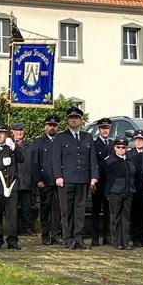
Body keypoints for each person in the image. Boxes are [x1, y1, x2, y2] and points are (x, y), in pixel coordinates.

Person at [51, 107, 99, 249]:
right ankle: (68, 239)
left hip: (83, 179)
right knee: (67, 211)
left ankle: (78, 238)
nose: (74, 120)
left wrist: (94, 177)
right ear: (68, 120)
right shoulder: (60, 137)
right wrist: (58, 176)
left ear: (80, 120)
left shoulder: (87, 137)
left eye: (76, 118)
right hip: (66, 180)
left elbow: (92, 158)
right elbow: (56, 159)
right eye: (71, 117)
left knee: (80, 210)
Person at [102, 137, 135, 249]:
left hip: (128, 192)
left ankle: (125, 242)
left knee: (126, 218)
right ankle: (116, 242)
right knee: (115, 218)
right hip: (114, 193)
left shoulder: (129, 159)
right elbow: (103, 177)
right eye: (118, 147)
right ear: (114, 148)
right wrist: (107, 192)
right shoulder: (109, 160)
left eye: (123, 147)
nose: (121, 149)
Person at [32, 116, 61, 245]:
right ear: (45, 127)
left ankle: (56, 234)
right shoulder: (38, 142)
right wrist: (38, 179)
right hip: (45, 181)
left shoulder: (60, 141)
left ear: (58, 127)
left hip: (58, 181)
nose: (52, 127)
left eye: (54, 125)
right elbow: (34, 162)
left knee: (58, 210)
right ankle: (46, 235)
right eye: (49, 125)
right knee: (45, 209)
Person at [89, 118, 114, 246]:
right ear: (99, 130)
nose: (105, 130)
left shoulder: (112, 144)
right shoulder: (94, 144)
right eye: (103, 128)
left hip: (109, 183)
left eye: (107, 128)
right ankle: (94, 237)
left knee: (108, 211)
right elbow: (93, 162)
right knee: (96, 211)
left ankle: (107, 237)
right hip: (98, 181)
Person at [11, 123, 37, 235]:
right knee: (12, 207)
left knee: (26, 207)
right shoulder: (9, 144)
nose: (19, 133)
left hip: (26, 179)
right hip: (12, 180)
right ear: (12, 132)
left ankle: (26, 228)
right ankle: (13, 229)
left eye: (21, 130)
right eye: (16, 130)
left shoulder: (30, 145)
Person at [129, 130, 143, 246]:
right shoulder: (129, 154)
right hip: (134, 188)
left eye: (141, 140)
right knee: (135, 214)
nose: (139, 142)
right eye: (137, 140)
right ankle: (136, 238)